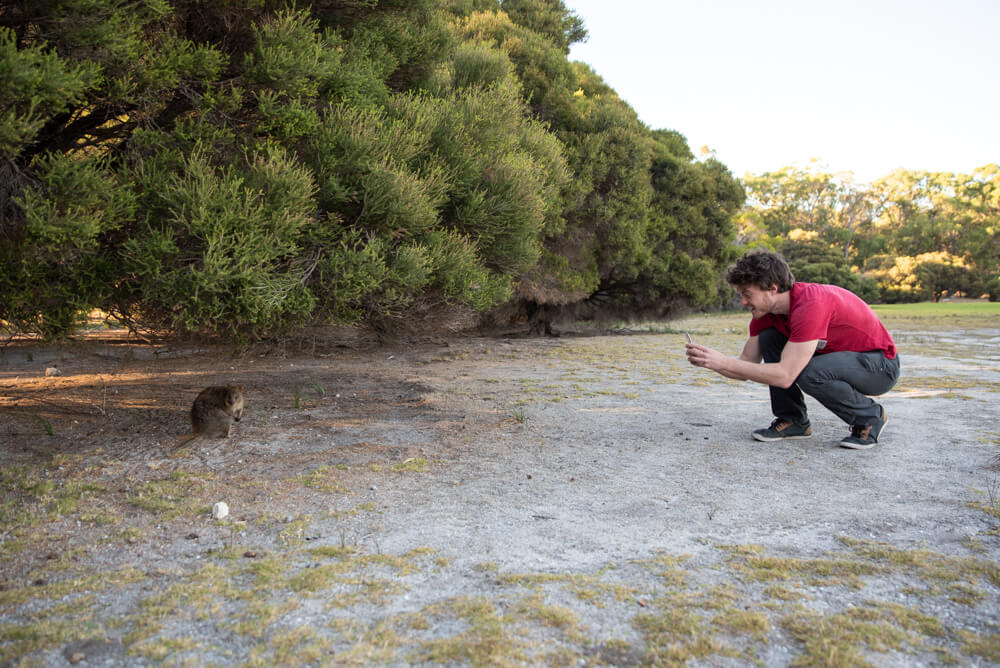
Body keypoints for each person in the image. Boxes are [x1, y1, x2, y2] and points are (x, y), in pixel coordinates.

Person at [685, 249, 900, 449]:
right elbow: (746, 365)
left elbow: (785, 375)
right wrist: (709, 361)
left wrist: (722, 362)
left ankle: (869, 416)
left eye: (747, 294)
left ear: (773, 288)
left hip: (880, 366)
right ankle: (793, 420)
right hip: (839, 360)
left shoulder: (811, 305)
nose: (742, 301)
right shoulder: (765, 315)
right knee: (769, 338)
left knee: (809, 372)